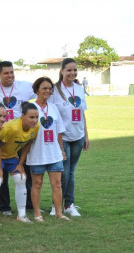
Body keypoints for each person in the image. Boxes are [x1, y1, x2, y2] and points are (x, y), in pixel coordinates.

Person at [0, 61, 36, 216]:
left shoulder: (24, 86)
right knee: (1, 173)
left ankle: (29, 203)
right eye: (6, 73)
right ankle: (4, 207)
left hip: (20, 136)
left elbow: (41, 89)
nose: (10, 75)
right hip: (2, 135)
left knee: (25, 171)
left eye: (11, 72)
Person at [0, 102, 39, 223]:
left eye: (36, 117)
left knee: (21, 179)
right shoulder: (11, 128)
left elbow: (28, 144)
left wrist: (20, 163)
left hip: (11, 157)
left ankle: (22, 215)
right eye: (31, 117)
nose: (34, 120)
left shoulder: (36, 127)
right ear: (22, 116)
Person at [49, 58, 89, 217]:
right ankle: (55, 205)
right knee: (63, 172)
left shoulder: (79, 89)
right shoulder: (55, 90)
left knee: (71, 172)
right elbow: (50, 112)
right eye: (69, 70)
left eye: (74, 70)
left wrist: (86, 134)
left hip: (78, 136)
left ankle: (69, 204)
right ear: (62, 71)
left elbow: (82, 113)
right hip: (62, 137)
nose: (72, 73)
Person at [26, 77, 70, 222]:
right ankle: (37, 214)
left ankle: (59, 213)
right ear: (37, 89)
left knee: (57, 184)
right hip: (37, 152)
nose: (48, 91)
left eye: (50, 88)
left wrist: (61, 149)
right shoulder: (30, 107)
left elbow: (58, 131)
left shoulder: (54, 107)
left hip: (54, 153)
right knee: (36, 184)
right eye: (44, 88)